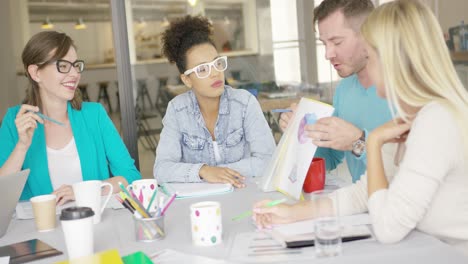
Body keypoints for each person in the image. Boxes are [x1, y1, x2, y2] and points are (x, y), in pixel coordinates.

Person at [254, 0, 468, 252]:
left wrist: (373, 142)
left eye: (372, 55)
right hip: (420, 247)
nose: (369, 64)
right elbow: (363, 193)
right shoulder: (413, 116)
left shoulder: (436, 120)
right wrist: (292, 213)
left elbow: (388, 227)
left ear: (392, 60)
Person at [0, 31, 141, 205]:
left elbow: (131, 176)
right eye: (63, 66)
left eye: (76, 65)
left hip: (95, 222)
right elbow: (2, 195)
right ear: (36, 72)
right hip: (40, 229)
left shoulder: (94, 115)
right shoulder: (14, 122)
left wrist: (82, 191)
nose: (74, 74)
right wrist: (22, 147)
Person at [153, 16, 276, 188]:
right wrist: (203, 171)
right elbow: (162, 170)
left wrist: (219, 172)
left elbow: (268, 160)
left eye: (217, 63)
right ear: (187, 79)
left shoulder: (244, 103)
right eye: (202, 69)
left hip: (244, 196)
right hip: (199, 205)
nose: (215, 73)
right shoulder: (177, 110)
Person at [280, 0, 392, 183]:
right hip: (364, 205)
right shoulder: (345, 89)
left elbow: (414, 169)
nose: (327, 54)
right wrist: (302, 133)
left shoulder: (407, 89)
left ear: (368, 35)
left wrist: (358, 142)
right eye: (324, 43)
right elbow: (329, 160)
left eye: (336, 42)